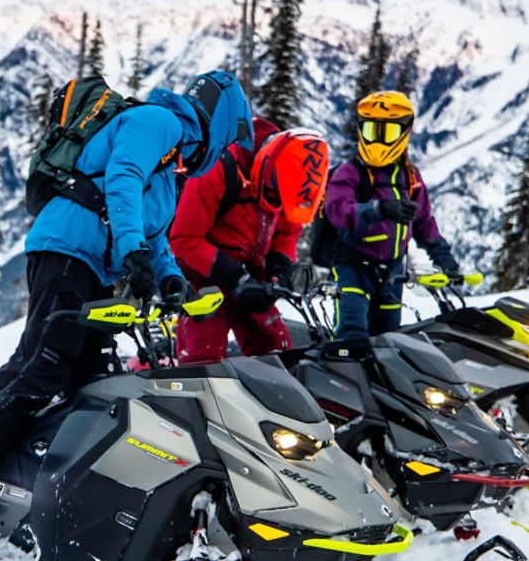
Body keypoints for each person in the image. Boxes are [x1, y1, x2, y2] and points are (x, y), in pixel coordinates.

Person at [0, 70, 251, 509]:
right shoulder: (160, 122)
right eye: (228, 142)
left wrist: (169, 276)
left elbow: (155, 231)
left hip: (93, 263)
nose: (223, 153)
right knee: (44, 363)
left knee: (94, 379)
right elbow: (123, 177)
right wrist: (133, 251)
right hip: (67, 247)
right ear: (221, 123)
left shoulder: (170, 166)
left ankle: (46, 486)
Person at [169, 117, 330, 362]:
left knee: (279, 355)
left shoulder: (292, 180)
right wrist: (236, 277)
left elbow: (287, 234)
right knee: (203, 361)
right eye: (275, 193)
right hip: (203, 280)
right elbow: (183, 239)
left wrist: (279, 272)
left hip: (252, 279)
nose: (277, 200)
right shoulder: (217, 168)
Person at [323, 91, 459, 341]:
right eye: (371, 130)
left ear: (403, 133)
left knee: (388, 340)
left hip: (392, 274)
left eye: (388, 132)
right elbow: (337, 212)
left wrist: (443, 257)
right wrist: (380, 210)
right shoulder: (350, 172)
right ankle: (342, 364)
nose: (378, 140)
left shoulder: (409, 176)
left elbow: (423, 221)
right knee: (351, 335)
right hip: (353, 268)